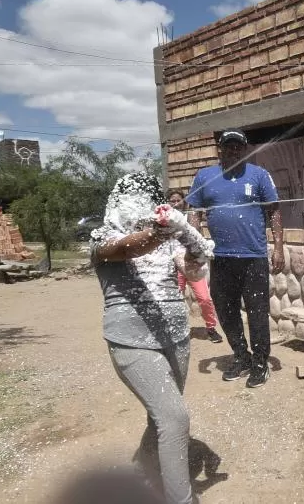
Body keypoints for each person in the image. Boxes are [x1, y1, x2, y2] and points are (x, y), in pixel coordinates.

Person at [90, 173, 212, 504]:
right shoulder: (102, 237)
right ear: (115, 206)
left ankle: (143, 469)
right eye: (129, 199)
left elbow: (193, 272)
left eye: (143, 200)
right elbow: (127, 248)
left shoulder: (168, 239)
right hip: (132, 343)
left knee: (159, 416)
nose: (137, 206)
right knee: (175, 418)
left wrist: (194, 246)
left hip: (176, 337)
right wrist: (162, 231)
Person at [186, 128, 285, 389]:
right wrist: (196, 244)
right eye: (228, 146)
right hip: (221, 258)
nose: (233, 150)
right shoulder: (204, 176)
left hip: (253, 257)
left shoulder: (259, 175)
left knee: (257, 313)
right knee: (226, 312)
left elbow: (273, 210)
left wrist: (278, 247)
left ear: (244, 149)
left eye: (238, 146)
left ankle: (261, 363)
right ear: (220, 149)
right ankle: (242, 356)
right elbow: (194, 211)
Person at [167, 189, 223, 343]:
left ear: (184, 201)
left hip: (192, 263)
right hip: (173, 265)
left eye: (178, 200)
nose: (175, 203)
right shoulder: (164, 221)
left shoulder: (190, 218)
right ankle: (176, 329)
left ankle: (211, 328)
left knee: (204, 298)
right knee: (174, 298)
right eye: (172, 201)